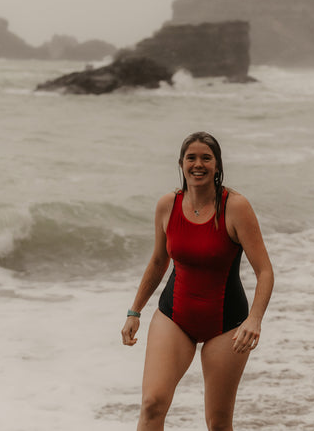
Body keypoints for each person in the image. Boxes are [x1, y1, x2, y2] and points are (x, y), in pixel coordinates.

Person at [121, 131, 274, 431]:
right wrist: (134, 311)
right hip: (175, 317)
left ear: (217, 165)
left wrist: (254, 320)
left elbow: (265, 271)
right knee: (152, 404)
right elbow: (157, 262)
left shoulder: (236, 207)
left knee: (217, 422)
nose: (198, 164)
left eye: (206, 157)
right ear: (181, 163)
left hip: (226, 325)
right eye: (191, 157)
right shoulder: (168, 205)